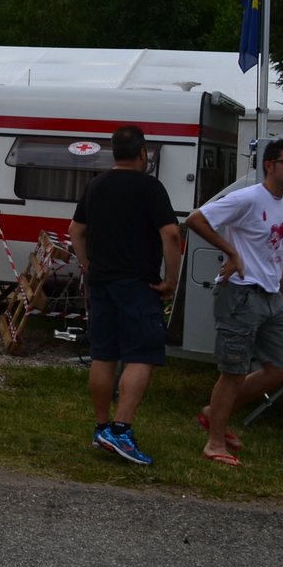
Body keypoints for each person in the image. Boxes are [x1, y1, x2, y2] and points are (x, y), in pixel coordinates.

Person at [184, 138, 283, 468]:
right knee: (233, 371)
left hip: (269, 298)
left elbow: (276, 252)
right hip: (240, 295)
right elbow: (195, 219)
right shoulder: (249, 197)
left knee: (280, 370)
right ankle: (214, 443)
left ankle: (214, 414)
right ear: (270, 165)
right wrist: (231, 251)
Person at [67, 125, 181, 466]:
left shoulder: (96, 185)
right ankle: (121, 430)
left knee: (104, 354)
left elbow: (76, 230)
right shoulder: (150, 188)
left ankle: (101, 426)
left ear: (113, 152)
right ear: (143, 152)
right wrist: (171, 281)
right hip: (137, 284)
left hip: (101, 282)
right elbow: (171, 234)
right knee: (141, 354)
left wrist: (88, 265)